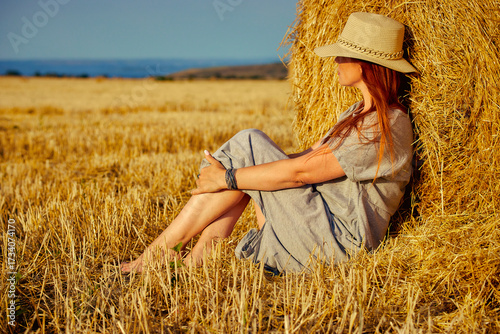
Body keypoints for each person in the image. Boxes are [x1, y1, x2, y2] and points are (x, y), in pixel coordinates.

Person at [121, 12, 416, 274]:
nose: (336, 61)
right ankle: (199, 254)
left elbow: (302, 172)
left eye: (342, 55)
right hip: (316, 225)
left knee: (249, 143)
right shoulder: (359, 114)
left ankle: (159, 255)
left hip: (337, 243)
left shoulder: (386, 126)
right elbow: (308, 156)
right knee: (249, 152)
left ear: (365, 65)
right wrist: (239, 171)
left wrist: (227, 177)